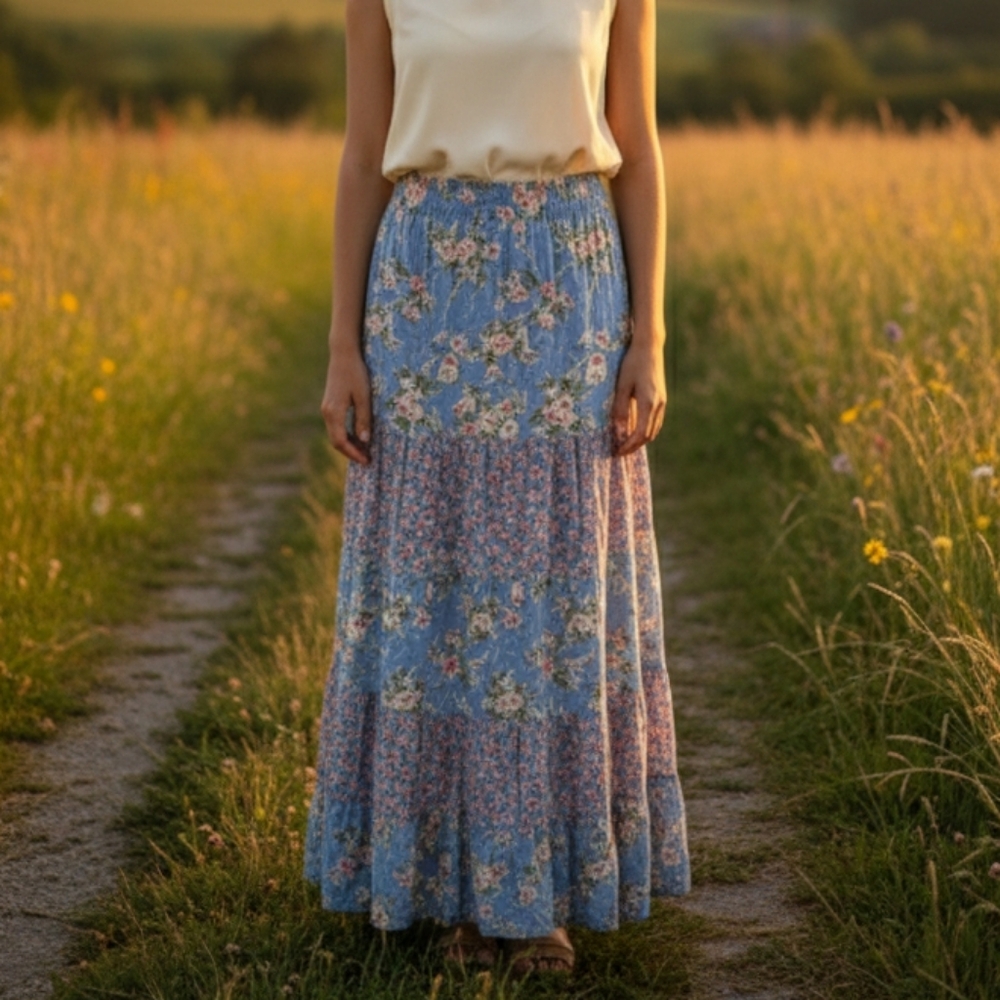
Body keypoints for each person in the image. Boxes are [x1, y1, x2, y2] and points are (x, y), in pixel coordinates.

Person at [304, 0, 691, 978]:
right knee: (437, 592)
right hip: (423, 289)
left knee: (548, 590)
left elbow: (638, 157)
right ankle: (453, 882)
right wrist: (342, 346)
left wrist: (649, 335)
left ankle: (541, 893)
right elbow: (361, 158)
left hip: (568, 281)